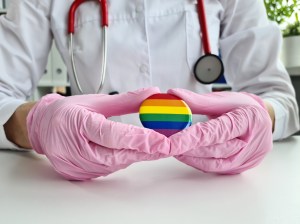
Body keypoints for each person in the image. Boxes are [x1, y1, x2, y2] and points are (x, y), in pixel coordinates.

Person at [0, 0, 299, 180]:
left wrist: (261, 116)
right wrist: (36, 125)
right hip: (91, 188)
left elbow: (280, 99)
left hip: (201, 184)